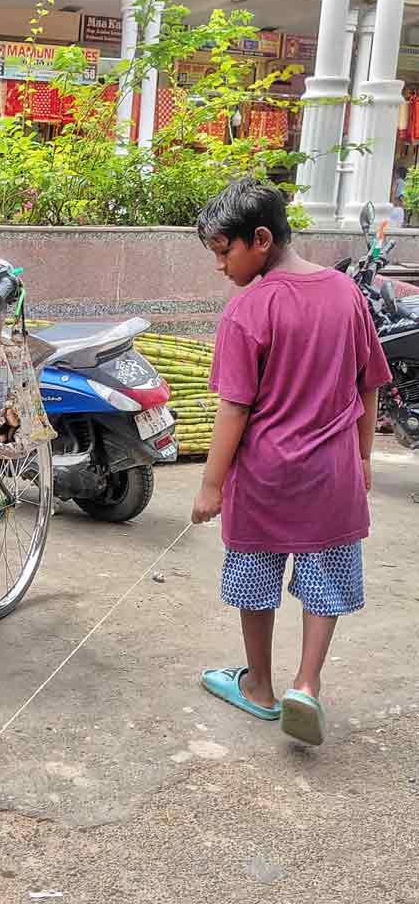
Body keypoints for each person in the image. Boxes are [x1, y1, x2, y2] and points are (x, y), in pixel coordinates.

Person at [191, 179, 391, 747]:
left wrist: (210, 486)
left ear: (259, 239)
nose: (220, 266)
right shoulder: (347, 294)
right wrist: (364, 455)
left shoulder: (248, 309)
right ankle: (307, 683)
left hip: (265, 476)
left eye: (223, 251)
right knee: (326, 578)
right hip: (332, 473)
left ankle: (258, 686)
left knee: (255, 577)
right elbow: (369, 381)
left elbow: (234, 408)